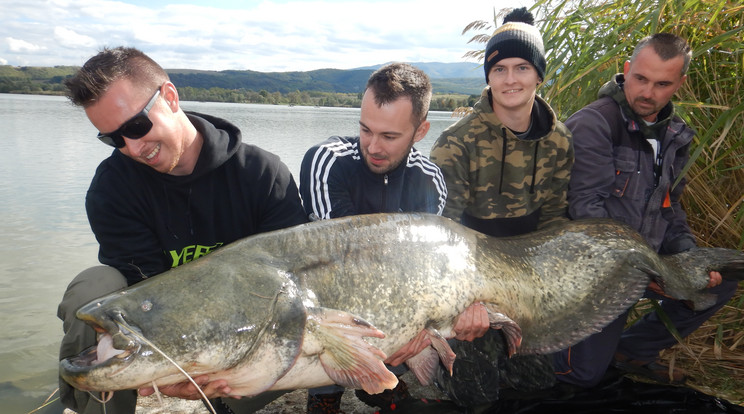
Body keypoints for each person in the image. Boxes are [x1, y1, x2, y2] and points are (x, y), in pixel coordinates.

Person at [57, 46, 307, 414]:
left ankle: (228, 403)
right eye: (113, 139)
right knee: (93, 289)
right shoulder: (112, 190)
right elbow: (143, 292)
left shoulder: (263, 175)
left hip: (249, 331)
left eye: (136, 126)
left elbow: (293, 285)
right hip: (165, 326)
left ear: (170, 97)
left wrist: (217, 367)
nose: (133, 147)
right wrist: (173, 370)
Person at [554, 33, 738, 388]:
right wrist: (650, 270)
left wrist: (687, 257)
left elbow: (670, 209)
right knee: (581, 377)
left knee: (721, 280)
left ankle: (631, 352)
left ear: (680, 84)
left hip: (647, 263)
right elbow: (587, 214)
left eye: (662, 83)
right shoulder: (595, 124)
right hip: (595, 271)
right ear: (626, 70)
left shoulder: (676, 134)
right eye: (640, 78)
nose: (647, 93)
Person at [428, 7, 573, 407]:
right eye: (500, 69)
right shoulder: (456, 142)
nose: (510, 80)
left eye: (522, 68)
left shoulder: (560, 141)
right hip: (469, 279)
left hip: (526, 277)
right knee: (476, 398)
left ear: (539, 75)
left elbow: (555, 223)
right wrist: (467, 302)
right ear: (488, 77)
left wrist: (546, 290)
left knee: (538, 384)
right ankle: (433, 368)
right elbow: (440, 235)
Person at [299, 62, 450, 413]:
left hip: (389, 295)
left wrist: (415, 330)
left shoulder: (430, 180)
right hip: (330, 293)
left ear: (421, 130)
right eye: (366, 130)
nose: (373, 146)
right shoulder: (327, 162)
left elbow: (419, 272)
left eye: (390, 136)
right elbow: (339, 263)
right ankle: (325, 390)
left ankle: (384, 380)